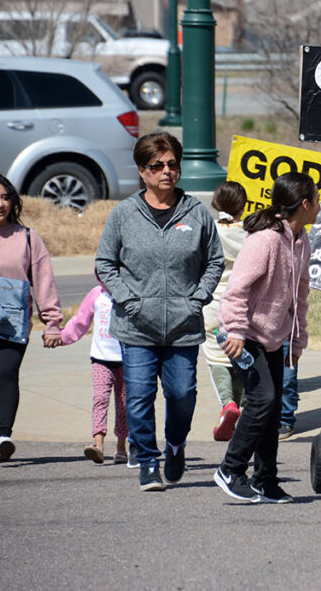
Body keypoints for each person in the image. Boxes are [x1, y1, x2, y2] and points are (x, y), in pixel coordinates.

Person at [96, 132, 224, 492]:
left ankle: (175, 444)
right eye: (158, 166)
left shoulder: (197, 213)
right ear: (142, 170)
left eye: (172, 164)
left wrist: (197, 298)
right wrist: (129, 301)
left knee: (182, 395)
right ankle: (148, 463)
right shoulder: (124, 213)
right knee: (138, 397)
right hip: (136, 326)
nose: (167, 171)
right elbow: (105, 263)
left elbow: (214, 261)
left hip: (183, 326)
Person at [213, 172, 315, 503]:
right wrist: (238, 331)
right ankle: (231, 469)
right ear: (304, 203)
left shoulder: (301, 240)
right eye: (316, 198)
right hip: (244, 335)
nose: (320, 205)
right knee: (261, 400)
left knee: (271, 411)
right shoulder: (266, 239)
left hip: (273, 337)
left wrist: (297, 343)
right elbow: (236, 289)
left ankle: (266, 481)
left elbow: (300, 295)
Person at [0, 171, 63, 464]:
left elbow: (43, 280)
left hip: (13, 319)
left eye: (5, 197)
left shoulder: (27, 237)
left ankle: (3, 437)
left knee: (6, 372)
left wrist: (52, 322)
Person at [60, 275, 130, 465]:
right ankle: (98, 446)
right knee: (100, 399)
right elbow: (80, 321)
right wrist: (62, 337)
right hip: (100, 359)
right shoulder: (96, 295)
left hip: (126, 359)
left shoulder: (129, 292)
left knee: (124, 405)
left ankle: (121, 448)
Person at [201, 181, 248, 442]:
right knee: (238, 358)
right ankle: (237, 409)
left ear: (216, 204)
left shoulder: (210, 232)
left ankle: (227, 405)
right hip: (241, 308)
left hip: (212, 306)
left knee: (215, 358)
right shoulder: (250, 235)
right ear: (243, 206)